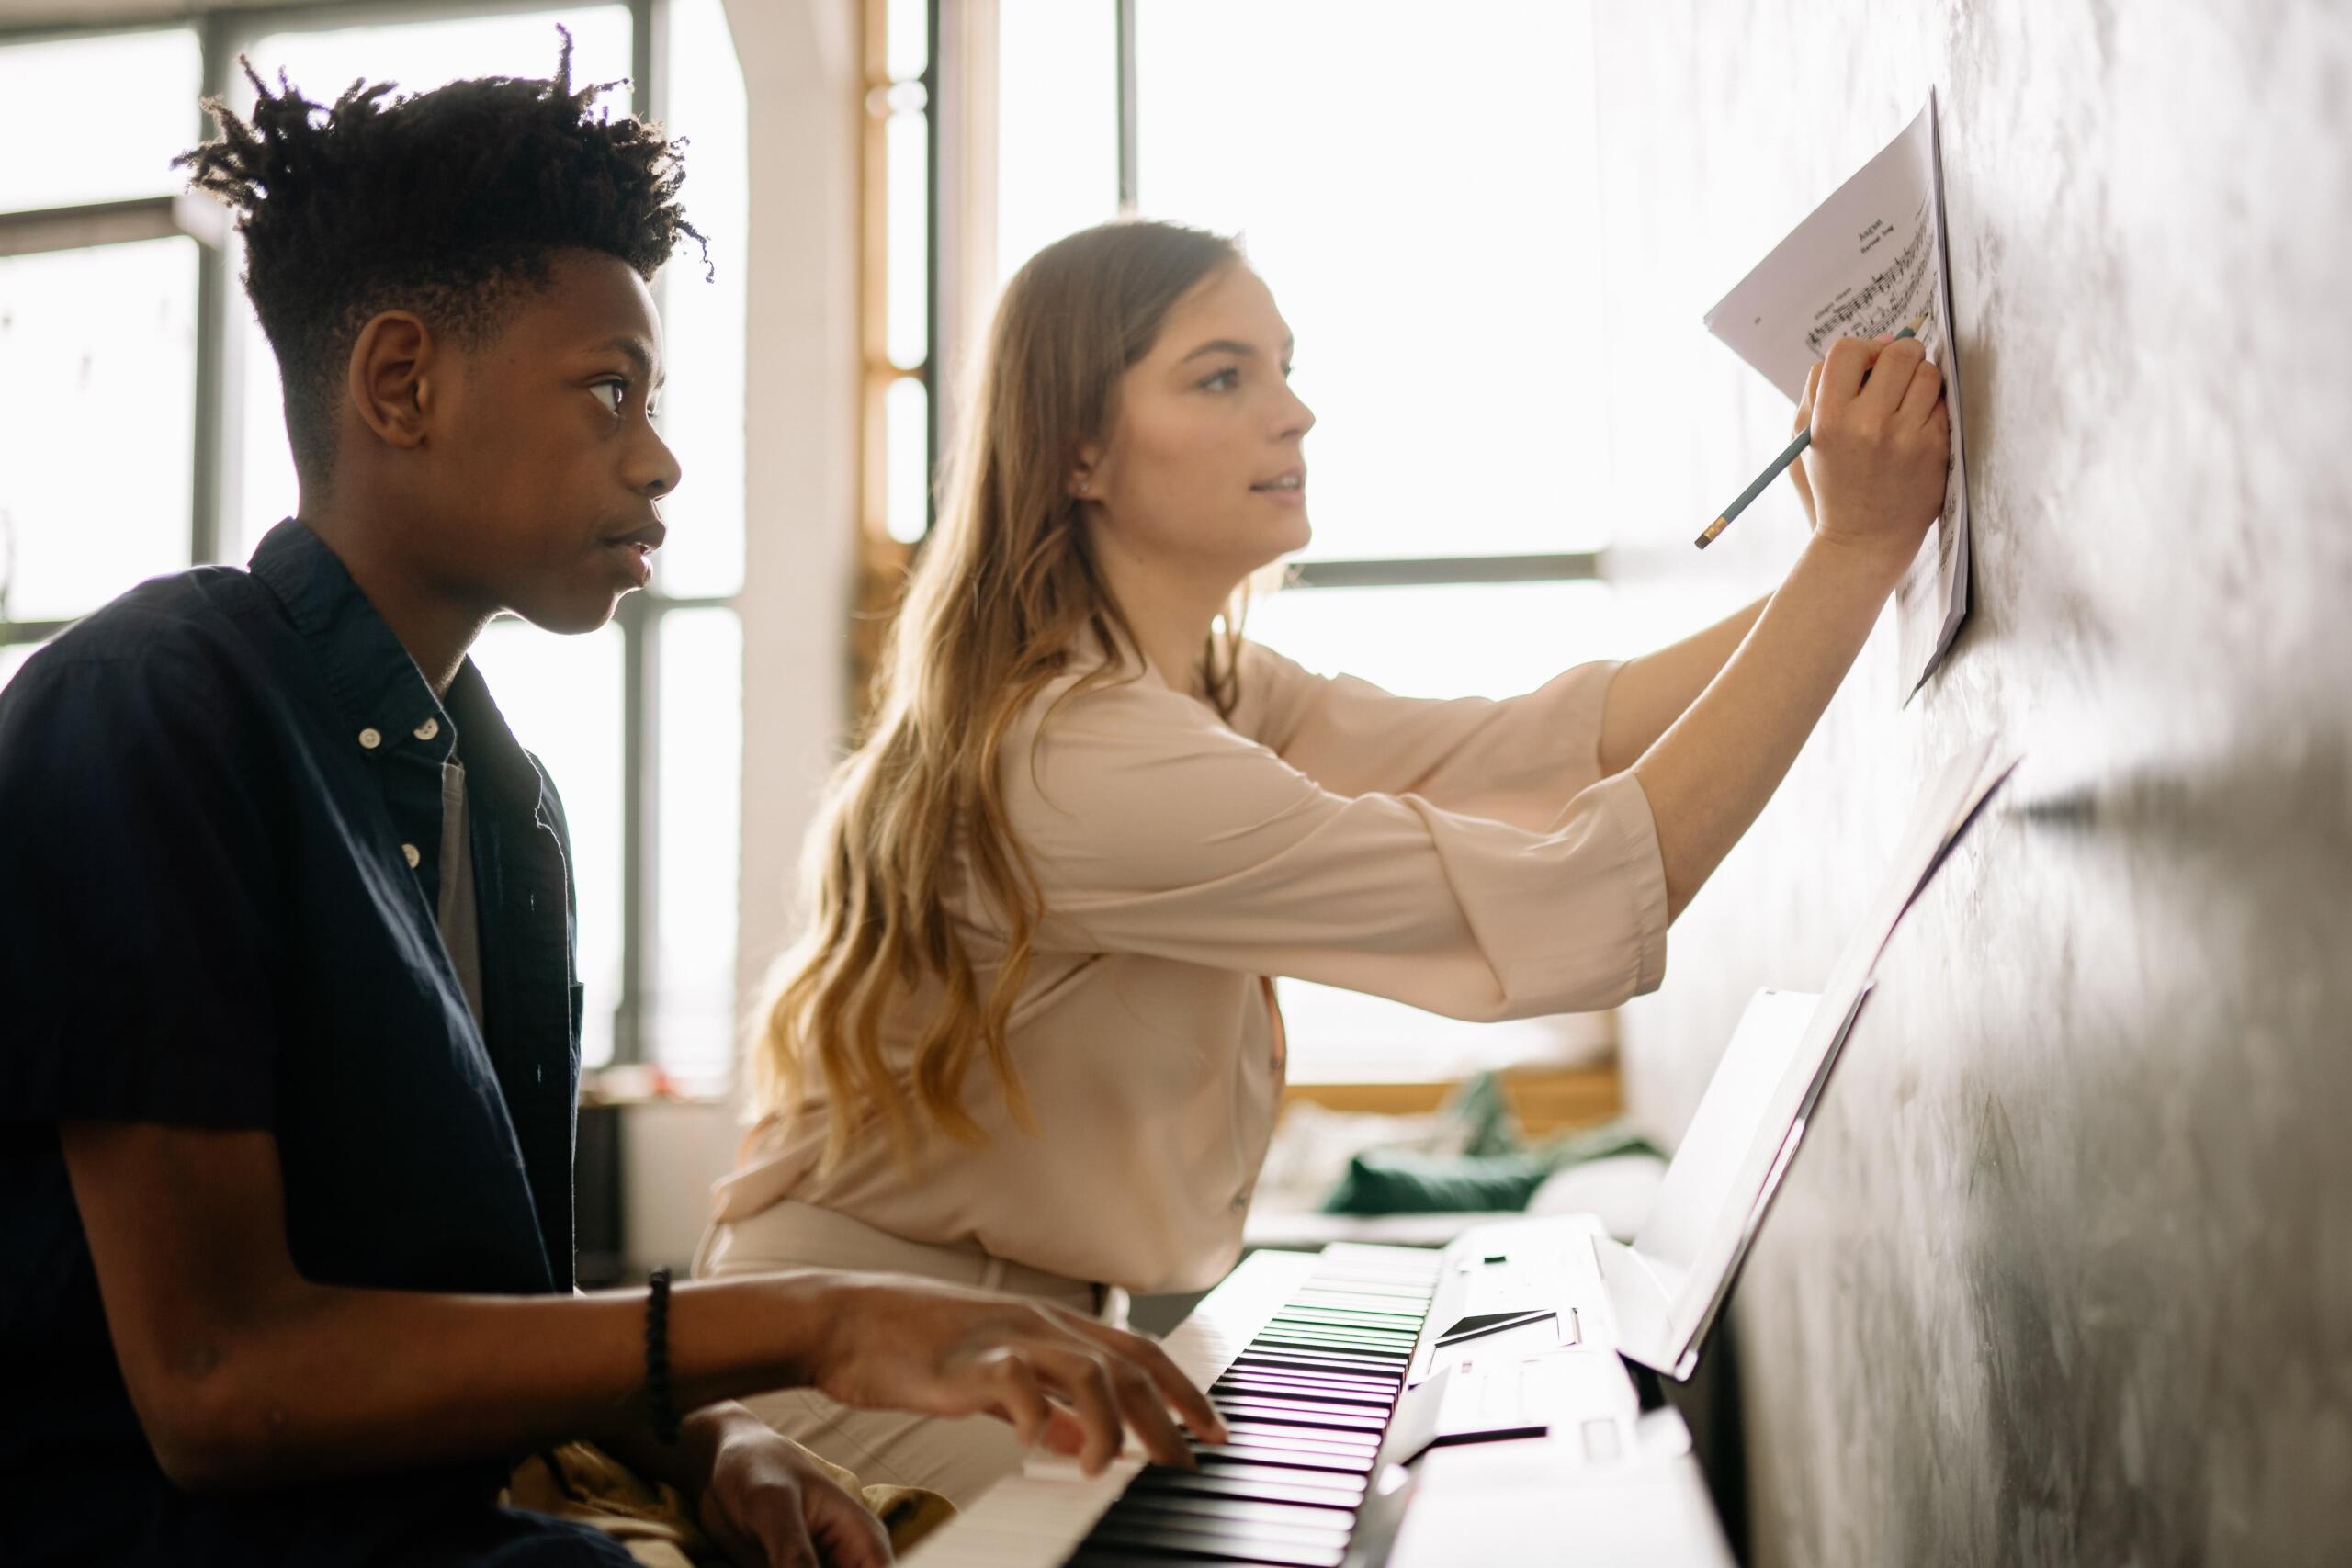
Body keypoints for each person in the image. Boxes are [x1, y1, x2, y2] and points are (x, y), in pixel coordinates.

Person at [0, 51, 1218, 1568]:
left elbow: (494, 1322)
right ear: (401, 383)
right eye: (608, 390)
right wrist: (815, 1326)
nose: (659, 455)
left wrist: (722, 1435)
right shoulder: (148, 707)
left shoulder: (501, 802)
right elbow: (219, 1383)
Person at [697, 218, 1950, 1502]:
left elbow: (1544, 747)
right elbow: (1578, 891)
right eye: (1223, 376)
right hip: (864, 1374)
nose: (1294, 412)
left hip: (1020, 1332)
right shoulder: (1085, 755)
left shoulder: (1208, 690)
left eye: (1284, 367)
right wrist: (1855, 555)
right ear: (1076, 446)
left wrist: (1849, 551)